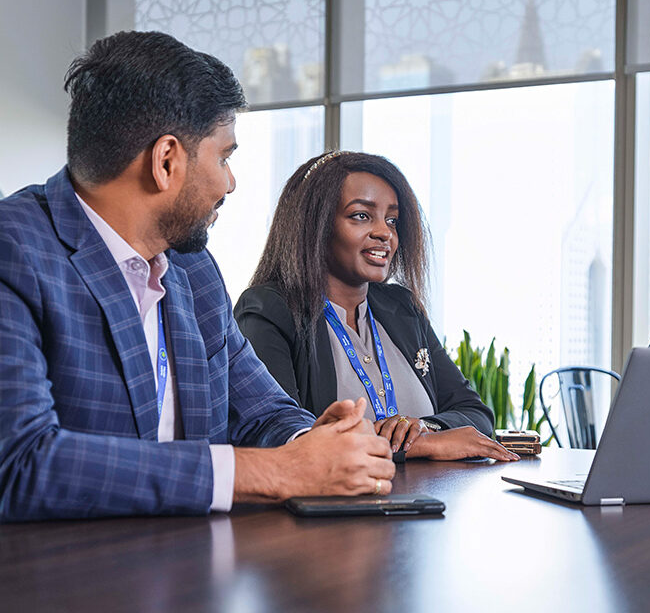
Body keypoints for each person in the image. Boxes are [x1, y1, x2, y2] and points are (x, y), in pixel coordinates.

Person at [0, 32, 395, 522]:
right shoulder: (14, 250)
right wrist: (276, 473)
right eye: (224, 156)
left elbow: (263, 409)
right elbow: (19, 463)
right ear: (167, 161)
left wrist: (314, 442)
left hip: (194, 575)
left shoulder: (192, 268)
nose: (230, 182)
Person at [235, 151, 518, 462]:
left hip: (428, 506)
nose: (385, 232)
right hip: (336, 508)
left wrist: (425, 427)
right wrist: (419, 447)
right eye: (361, 215)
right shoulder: (268, 311)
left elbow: (475, 414)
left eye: (392, 219)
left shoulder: (403, 308)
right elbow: (279, 434)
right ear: (314, 225)